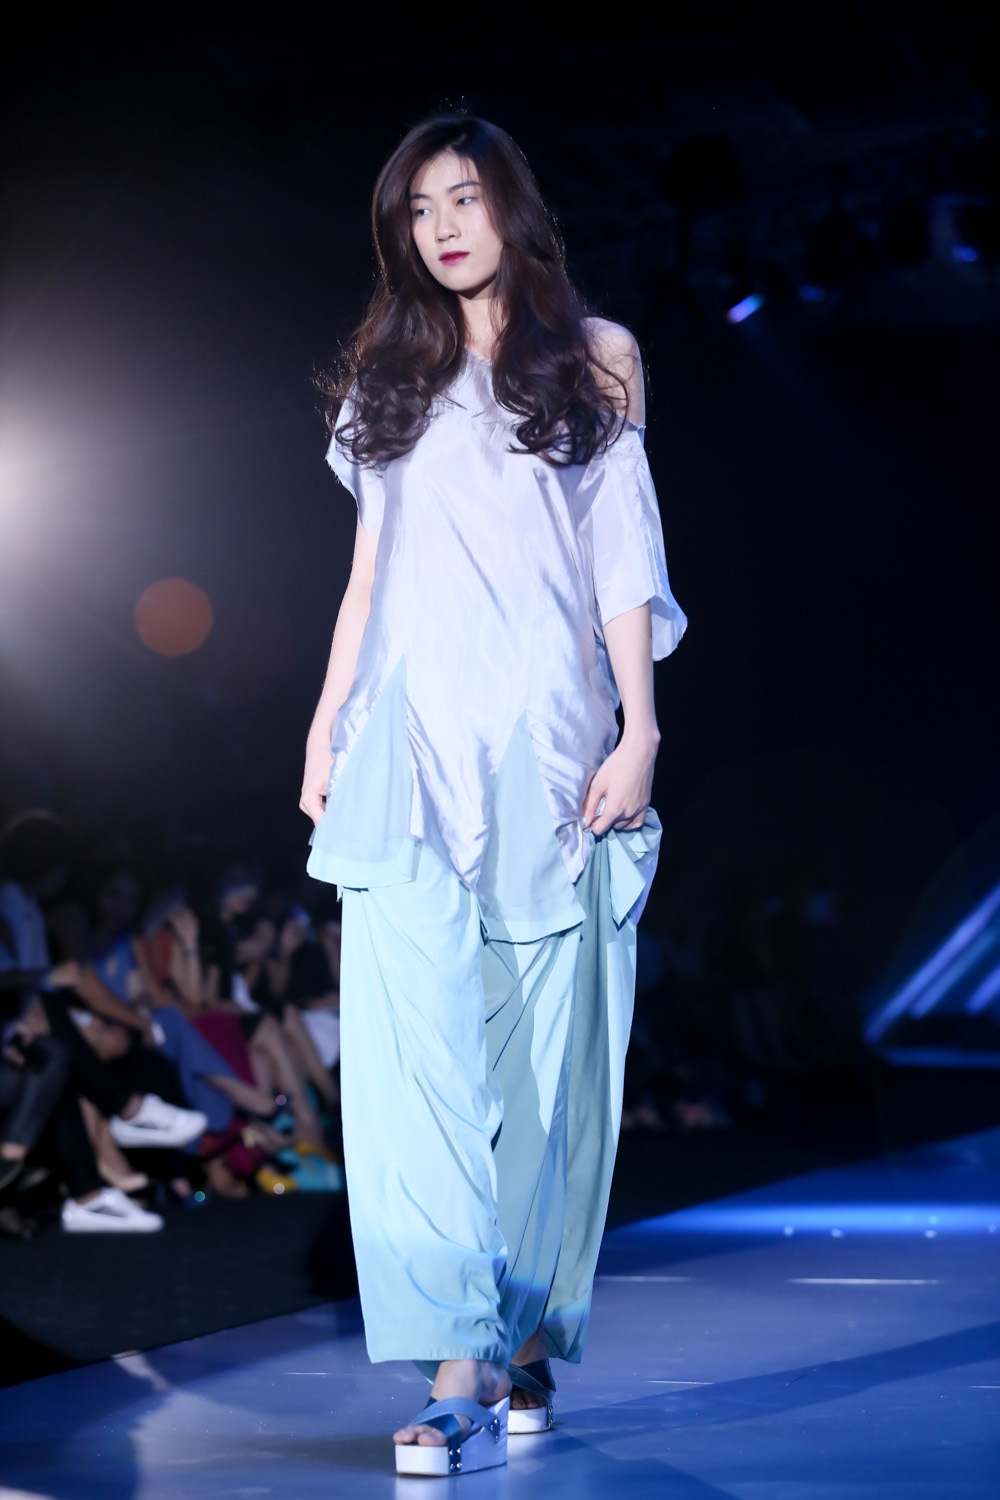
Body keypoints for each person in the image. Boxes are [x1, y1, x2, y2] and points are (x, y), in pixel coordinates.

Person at [299, 114, 686, 1478]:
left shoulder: (594, 356)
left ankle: (517, 1335)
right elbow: (368, 574)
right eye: (418, 210)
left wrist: (641, 726)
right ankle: (457, 1365)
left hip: (544, 742)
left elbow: (620, 549)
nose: (443, 227)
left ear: (511, 208)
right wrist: (325, 724)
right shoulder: (385, 378)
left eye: (463, 198)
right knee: (410, 1066)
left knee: (540, 1065)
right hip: (407, 743)